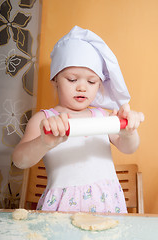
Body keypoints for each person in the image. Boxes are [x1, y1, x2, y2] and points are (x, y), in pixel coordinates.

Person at [12, 26, 144, 213]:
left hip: (106, 205)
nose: (82, 87)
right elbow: (19, 161)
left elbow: (129, 148)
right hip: (62, 208)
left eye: (91, 82)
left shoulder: (102, 117)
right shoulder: (45, 119)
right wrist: (44, 142)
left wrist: (128, 132)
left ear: (99, 85)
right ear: (55, 80)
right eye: (72, 79)